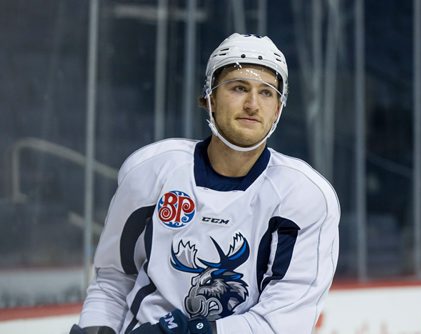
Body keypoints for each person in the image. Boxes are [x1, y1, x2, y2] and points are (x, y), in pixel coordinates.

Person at [71, 33, 340, 334]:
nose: (253, 104)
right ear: (210, 98)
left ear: (278, 108)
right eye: (239, 88)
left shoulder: (305, 196)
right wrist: (96, 327)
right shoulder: (150, 171)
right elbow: (114, 278)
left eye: (266, 93)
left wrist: (183, 331)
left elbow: (280, 323)